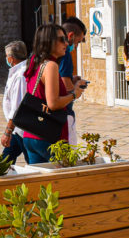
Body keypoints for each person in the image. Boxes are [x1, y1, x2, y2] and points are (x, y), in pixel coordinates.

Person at [21, 23, 87, 164]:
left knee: (42, 184)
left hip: (31, 133)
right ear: (48, 42)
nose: (66, 43)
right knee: (64, 181)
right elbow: (53, 103)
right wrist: (74, 94)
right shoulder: (51, 66)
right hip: (49, 136)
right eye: (61, 39)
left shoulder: (35, 62)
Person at [59, 17, 87, 145]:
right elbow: (65, 84)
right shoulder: (64, 53)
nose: (76, 46)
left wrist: (72, 78)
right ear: (70, 36)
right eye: (78, 42)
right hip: (63, 110)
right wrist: (76, 87)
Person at [0, 40, 28, 163]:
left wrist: (7, 131)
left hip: (21, 129)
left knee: (33, 163)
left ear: (11, 59)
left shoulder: (20, 76)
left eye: (7, 57)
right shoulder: (17, 72)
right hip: (17, 129)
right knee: (4, 162)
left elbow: (17, 107)